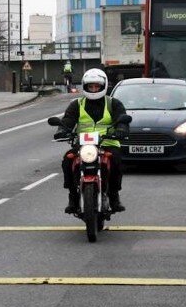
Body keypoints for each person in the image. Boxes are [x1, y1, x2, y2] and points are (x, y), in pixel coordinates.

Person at [54, 68, 129, 214]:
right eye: (90, 86)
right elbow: (68, 120)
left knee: (116, 161)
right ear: (85, 87)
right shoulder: (77, 104)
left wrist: (122, 129)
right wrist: (62, 130)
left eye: (97, 86)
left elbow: (122, 120)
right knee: (68, 160)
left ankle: (114, 196)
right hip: (83, 145)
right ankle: (73, 196)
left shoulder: (113, 103)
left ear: (103, 86)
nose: (94, 89)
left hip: (108, 143)